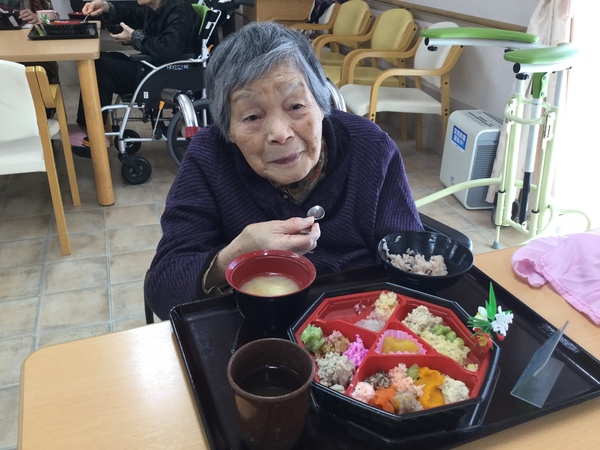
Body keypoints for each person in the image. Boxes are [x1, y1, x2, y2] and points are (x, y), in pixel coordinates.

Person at [144, 21, 423, 319]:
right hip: (258, 327)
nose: (280, 133)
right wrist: (235, 257)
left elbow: (413, 261)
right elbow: (163, 288)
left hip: (365, 323)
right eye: (252, 116)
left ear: (321, 104)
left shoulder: (371, 146)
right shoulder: (209, 156)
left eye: (296, 106)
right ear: (228, 129)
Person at [70, 0, 199, 155]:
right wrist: (106, 7)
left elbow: (169, 50)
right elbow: (131, 14)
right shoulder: (156, 9)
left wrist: (135, 38)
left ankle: (89, 132)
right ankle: (91, 127)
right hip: (154, 69)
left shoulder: (180, 10)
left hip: (164, 76)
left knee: (102, 67)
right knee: (101, 60)